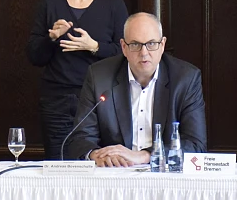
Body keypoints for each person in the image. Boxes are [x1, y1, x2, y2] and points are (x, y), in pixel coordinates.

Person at [27, 0, 128, 160]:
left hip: (101, 101)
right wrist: (51, 38)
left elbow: (126, 53)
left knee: (101, 164)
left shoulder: (113, 4)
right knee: (58, 165)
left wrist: (94, 46)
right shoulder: (49, 3)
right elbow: (34, 56)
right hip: (57, 101)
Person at [64, 12, 207, 166]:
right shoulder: (99, 77)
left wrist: (145, 156)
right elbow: (80, 138)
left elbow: (195, 145)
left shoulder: (185, 79)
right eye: (135, 45)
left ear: (163, 45)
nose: (144, 52)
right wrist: (94, 155)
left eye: (151, 43)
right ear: (124, 47)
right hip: (115, 174)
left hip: (164, 175)